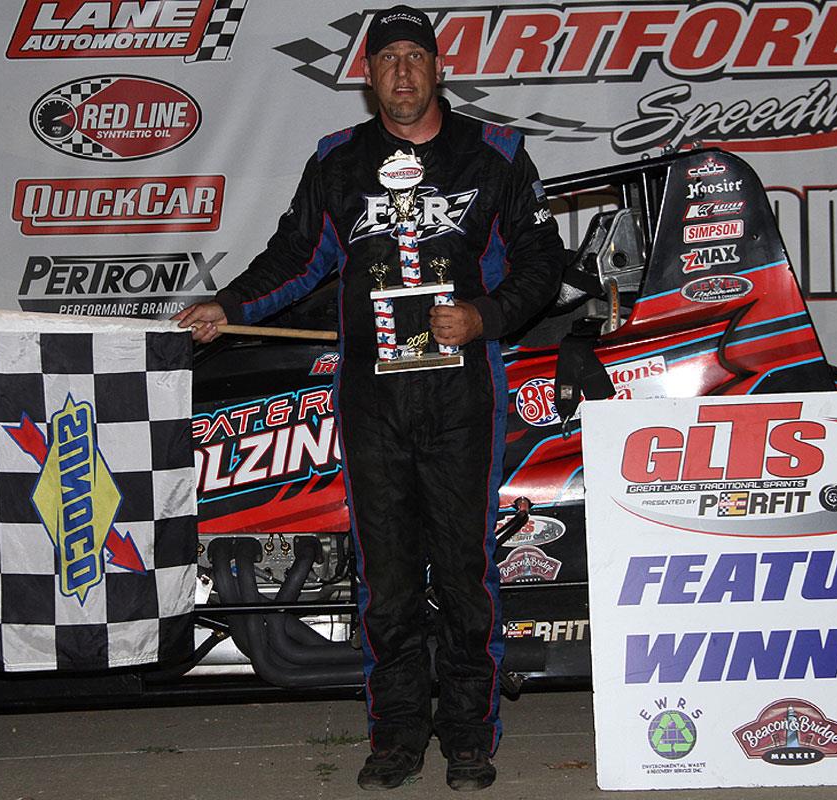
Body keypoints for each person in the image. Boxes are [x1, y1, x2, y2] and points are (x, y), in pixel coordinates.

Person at [175, 4, 564, 791]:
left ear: (438, 69)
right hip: (372, 401)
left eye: (416, 56)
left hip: (461, 396)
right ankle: (395, 736)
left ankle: (469, 736)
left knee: (465, 575)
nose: (403, 71)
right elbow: (296, 257)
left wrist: (484, 316)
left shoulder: (494, 154)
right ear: (367, 75)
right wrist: (230, 305)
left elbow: (541, 261)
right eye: (387, 58)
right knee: (385, 580)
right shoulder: (338, 161)